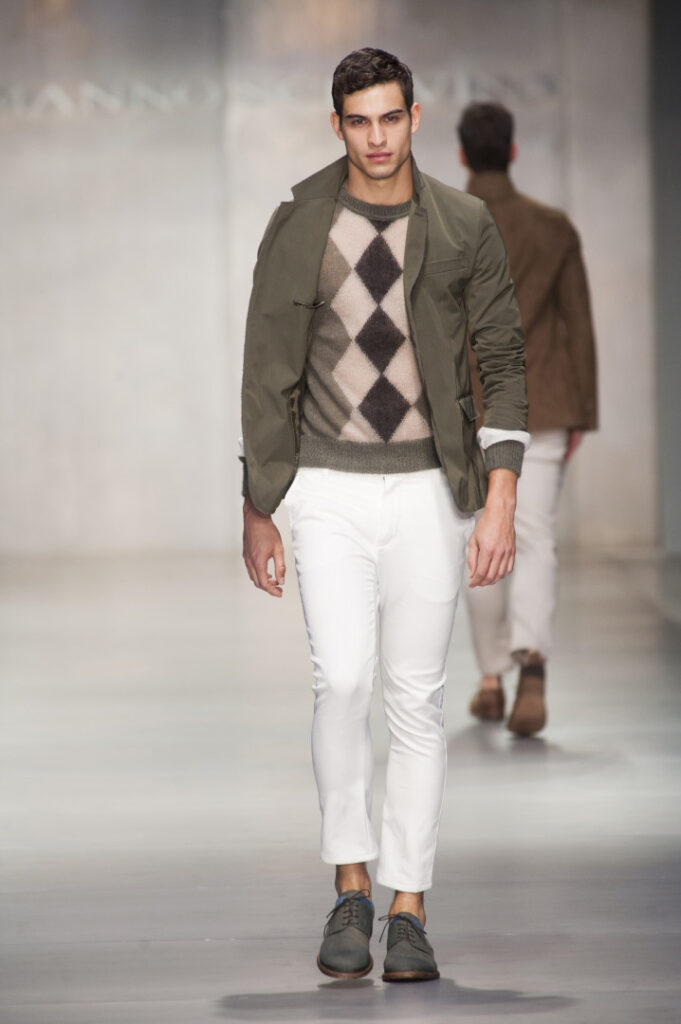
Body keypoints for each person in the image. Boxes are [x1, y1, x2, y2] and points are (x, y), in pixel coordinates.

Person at [240, 49, 528, 983]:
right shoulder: (298, 223)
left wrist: (500, 494)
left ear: (413, 117)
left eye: (389, 118)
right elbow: (265, 371)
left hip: (427, 489)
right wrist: (257, 503)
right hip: (324, 487)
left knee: (415, 698)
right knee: (343, 681)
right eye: (358, 121)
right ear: (337, 125)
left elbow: (502, 354)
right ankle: (350, 884)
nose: (375, 137)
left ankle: (408, 905)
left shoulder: (462, 224)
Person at [457, 102, 598, 736]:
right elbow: (577, 326)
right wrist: (581, 413)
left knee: (479, 539)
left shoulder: (444, 222)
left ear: (463, 154)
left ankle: (491, 680)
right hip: (544, 404)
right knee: (535, 536)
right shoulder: (553, 227)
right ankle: (531, 671)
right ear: (513, 151)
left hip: (467, 409)